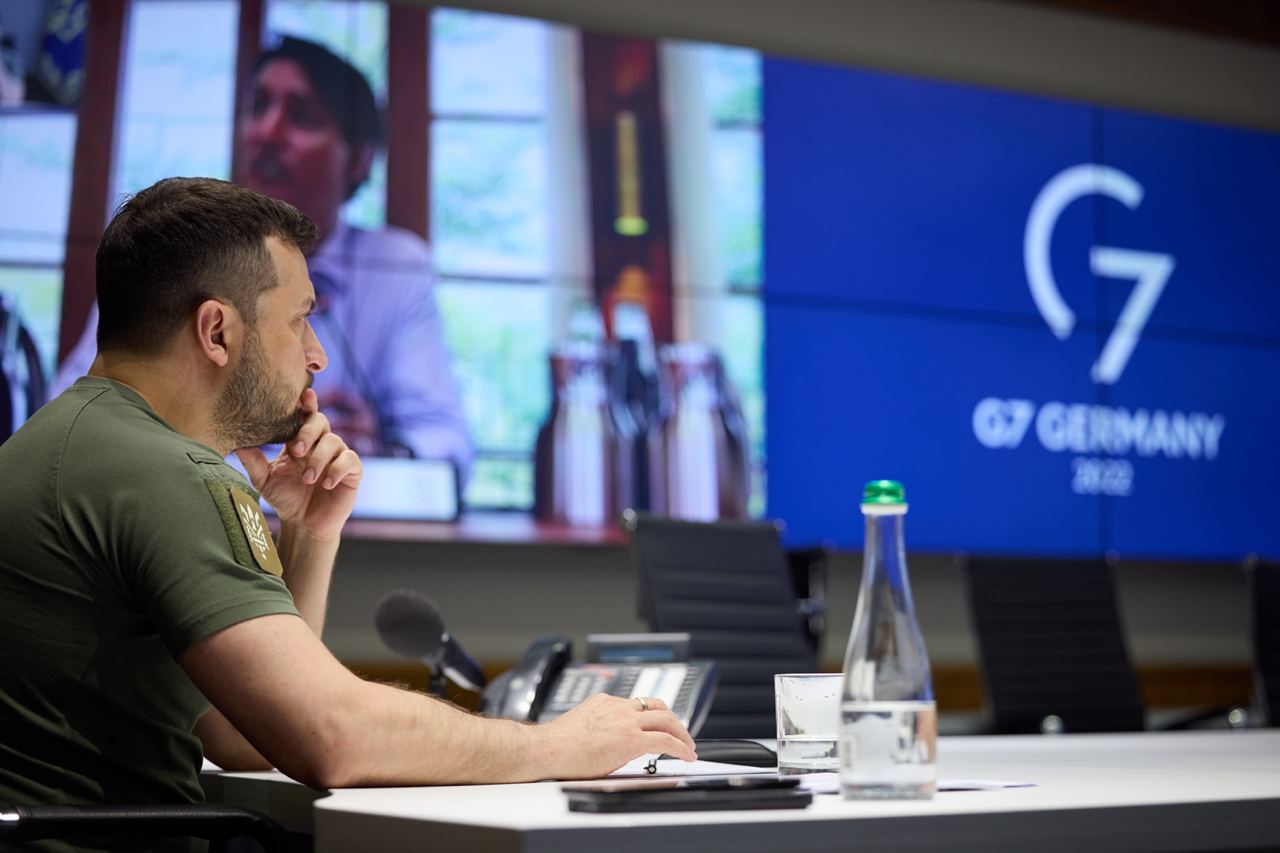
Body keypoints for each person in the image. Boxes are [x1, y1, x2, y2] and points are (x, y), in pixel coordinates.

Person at [0, 177, 696, 811]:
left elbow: (247, 731)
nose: (317, 354)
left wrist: (309, 534)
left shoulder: (62, 440)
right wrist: (559, 744)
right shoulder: (165, 472)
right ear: (217, 331)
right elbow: (331, 735)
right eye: (299, 318)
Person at [53, 35, 473, 481]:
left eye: (302, 117)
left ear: (358, 160)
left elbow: (446, 442)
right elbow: (68, 412)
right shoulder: (170, 245)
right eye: (258, 108)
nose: (267, 133)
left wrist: (381, 451)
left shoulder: (393, 267)